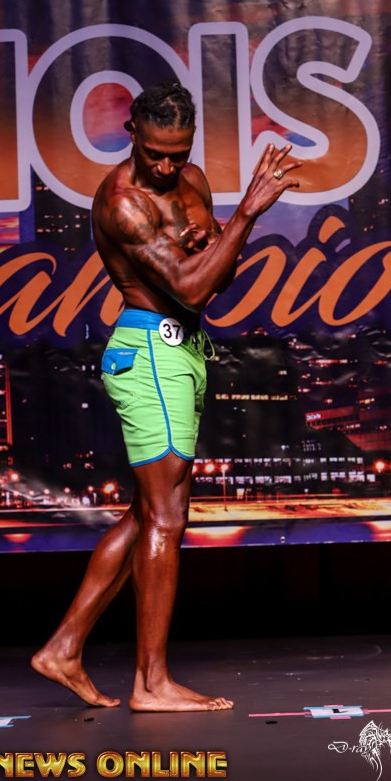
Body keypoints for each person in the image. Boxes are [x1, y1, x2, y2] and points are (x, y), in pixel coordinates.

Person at [31, 79, 302, 712]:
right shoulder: (123, 203)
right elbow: (190, 286)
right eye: (155, 153)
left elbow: (216, 278)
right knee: (166, 519)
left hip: (183, 351)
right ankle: (151, 684)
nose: (165, 166)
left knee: (149, 513)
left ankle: (64, 649)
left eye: (177, 154)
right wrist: (245, 215)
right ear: (133, 134)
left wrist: (216, 243)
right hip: (150, 352)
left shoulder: (192, 181)